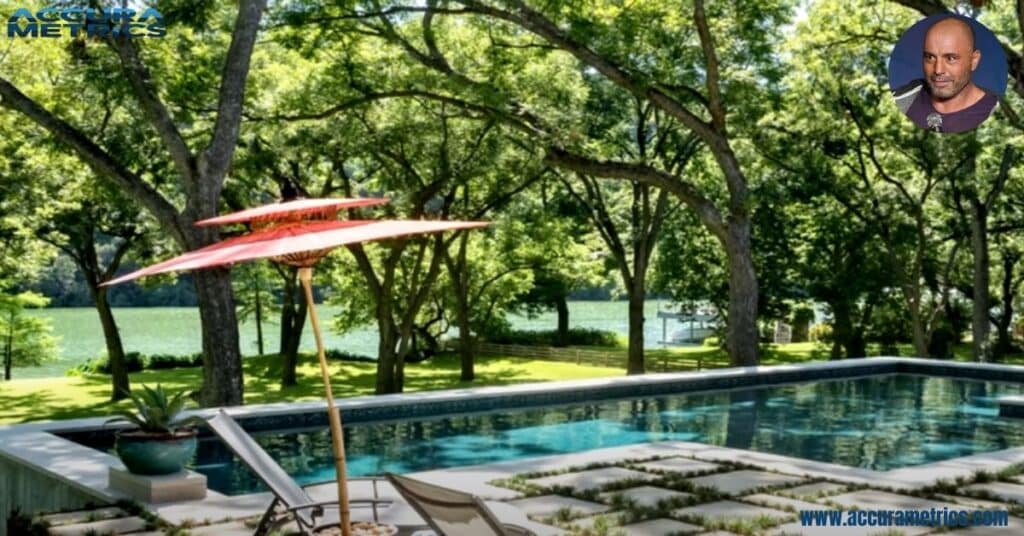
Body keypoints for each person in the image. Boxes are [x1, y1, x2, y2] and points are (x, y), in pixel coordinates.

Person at [892, 16, 998, 133]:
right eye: (930, 57)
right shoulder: (903, 99)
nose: (938, 70)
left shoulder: (993, 111)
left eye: (950, 58)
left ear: (974, 60)